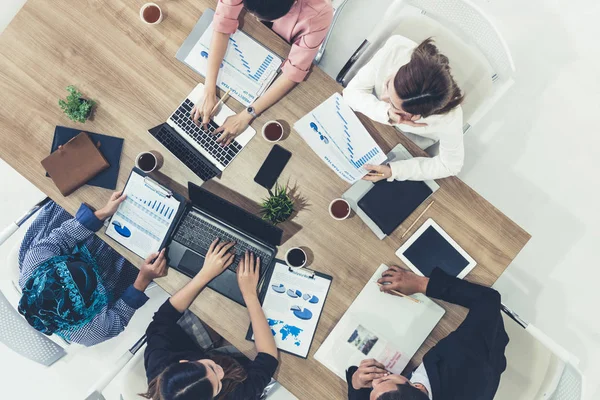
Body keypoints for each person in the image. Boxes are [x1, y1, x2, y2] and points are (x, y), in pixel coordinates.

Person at [17, 193, 168, 346]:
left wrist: (102, 214)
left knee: (91, 198)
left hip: (70, 247)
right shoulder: (93, 332)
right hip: (112, 275)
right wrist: (144, 278)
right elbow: (119, 317)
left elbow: (62, 236)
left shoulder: (35, 266)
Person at [347, 266, 509, 400]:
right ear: (413, 385)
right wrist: (421, 284)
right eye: (385, 379)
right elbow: (488, 300)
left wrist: (356, 382)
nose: (374, 383)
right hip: (479, 349)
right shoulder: (467, 360)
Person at [142, 241, 278, 400]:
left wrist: (205, 273)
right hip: (236, 363)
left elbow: (163, 318)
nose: (220, 372)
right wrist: (249, 293)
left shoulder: (159, 365)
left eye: (211, 368)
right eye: (218, 385)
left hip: (191, 344)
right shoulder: (235, 396)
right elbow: (268, 358)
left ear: (184, 362)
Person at [191, 0, 333, 146]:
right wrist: (208, 89)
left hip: (276, 52)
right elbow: (223, 22)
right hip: (252, 40)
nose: (255, 18)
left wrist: (246, 115)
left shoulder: (320, 11)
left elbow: (294, 72)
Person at [343, 36, 465, 182]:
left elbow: (450, 165)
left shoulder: (450, 118)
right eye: (388, 83)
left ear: (413, 116)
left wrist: (393, 171)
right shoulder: (396, 48)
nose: (382, 97)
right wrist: (386, 112)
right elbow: (351, 93)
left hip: (404, 143)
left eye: (392, 103)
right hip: (367, 120)